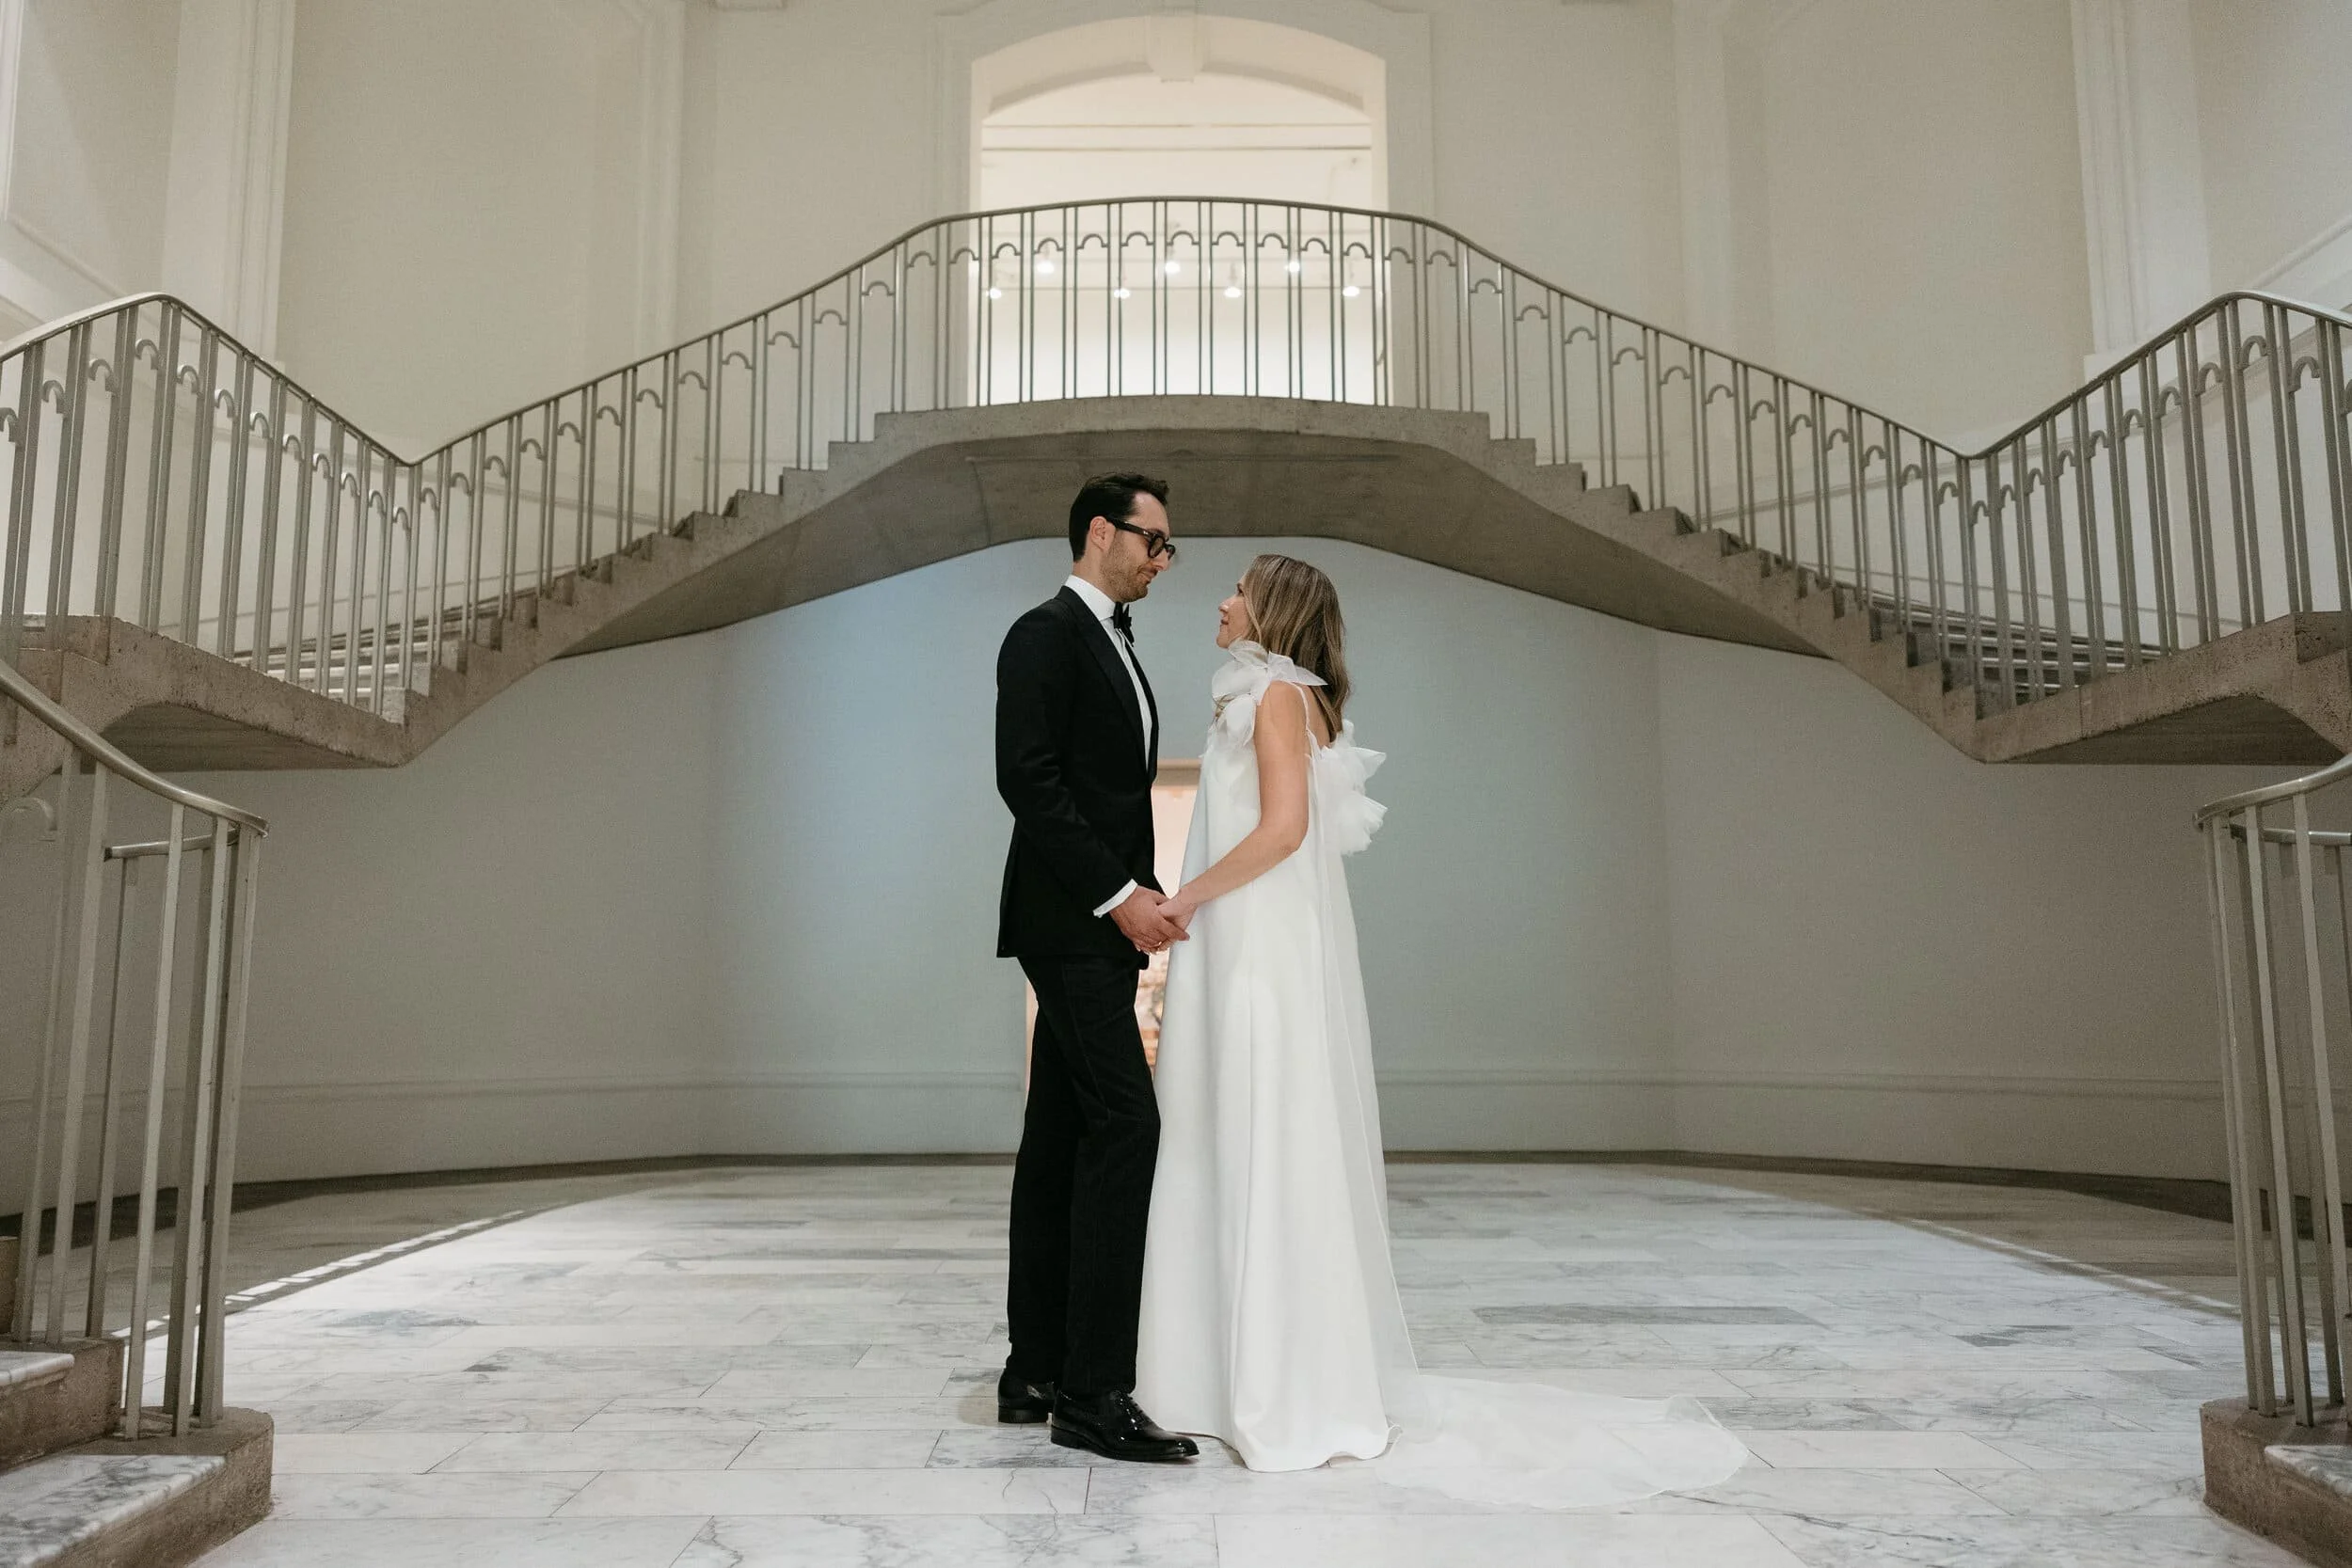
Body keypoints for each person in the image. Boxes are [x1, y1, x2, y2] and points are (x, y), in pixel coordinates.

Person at [1134, 552, 1750, 1506]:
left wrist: (1187, 897)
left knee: (1260, 1129)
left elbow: (1285, 829)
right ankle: (1222, 1371)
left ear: (1271, 611)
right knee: (1235, 1131)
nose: (1222, 600)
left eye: (1239, 591)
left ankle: (1272, 1382)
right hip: (1246, 936)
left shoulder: (1278, 697)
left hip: (1256, 943)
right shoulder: (1274, 695)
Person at [992, 472, 1199, 1464]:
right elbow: (1027, 780)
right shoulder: (1044, 633)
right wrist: (1120, 897)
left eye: (1168, 546)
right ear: (1100, 533)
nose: (1163, 559)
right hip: (1069, 921)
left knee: (1061, 1134)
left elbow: (1110, 793)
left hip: (1096, 925)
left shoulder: (1115, 640)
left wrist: (1138, 894)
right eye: (1153, 541)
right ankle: (1095, 1391)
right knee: (1129, 1123)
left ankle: (1035, 1367)